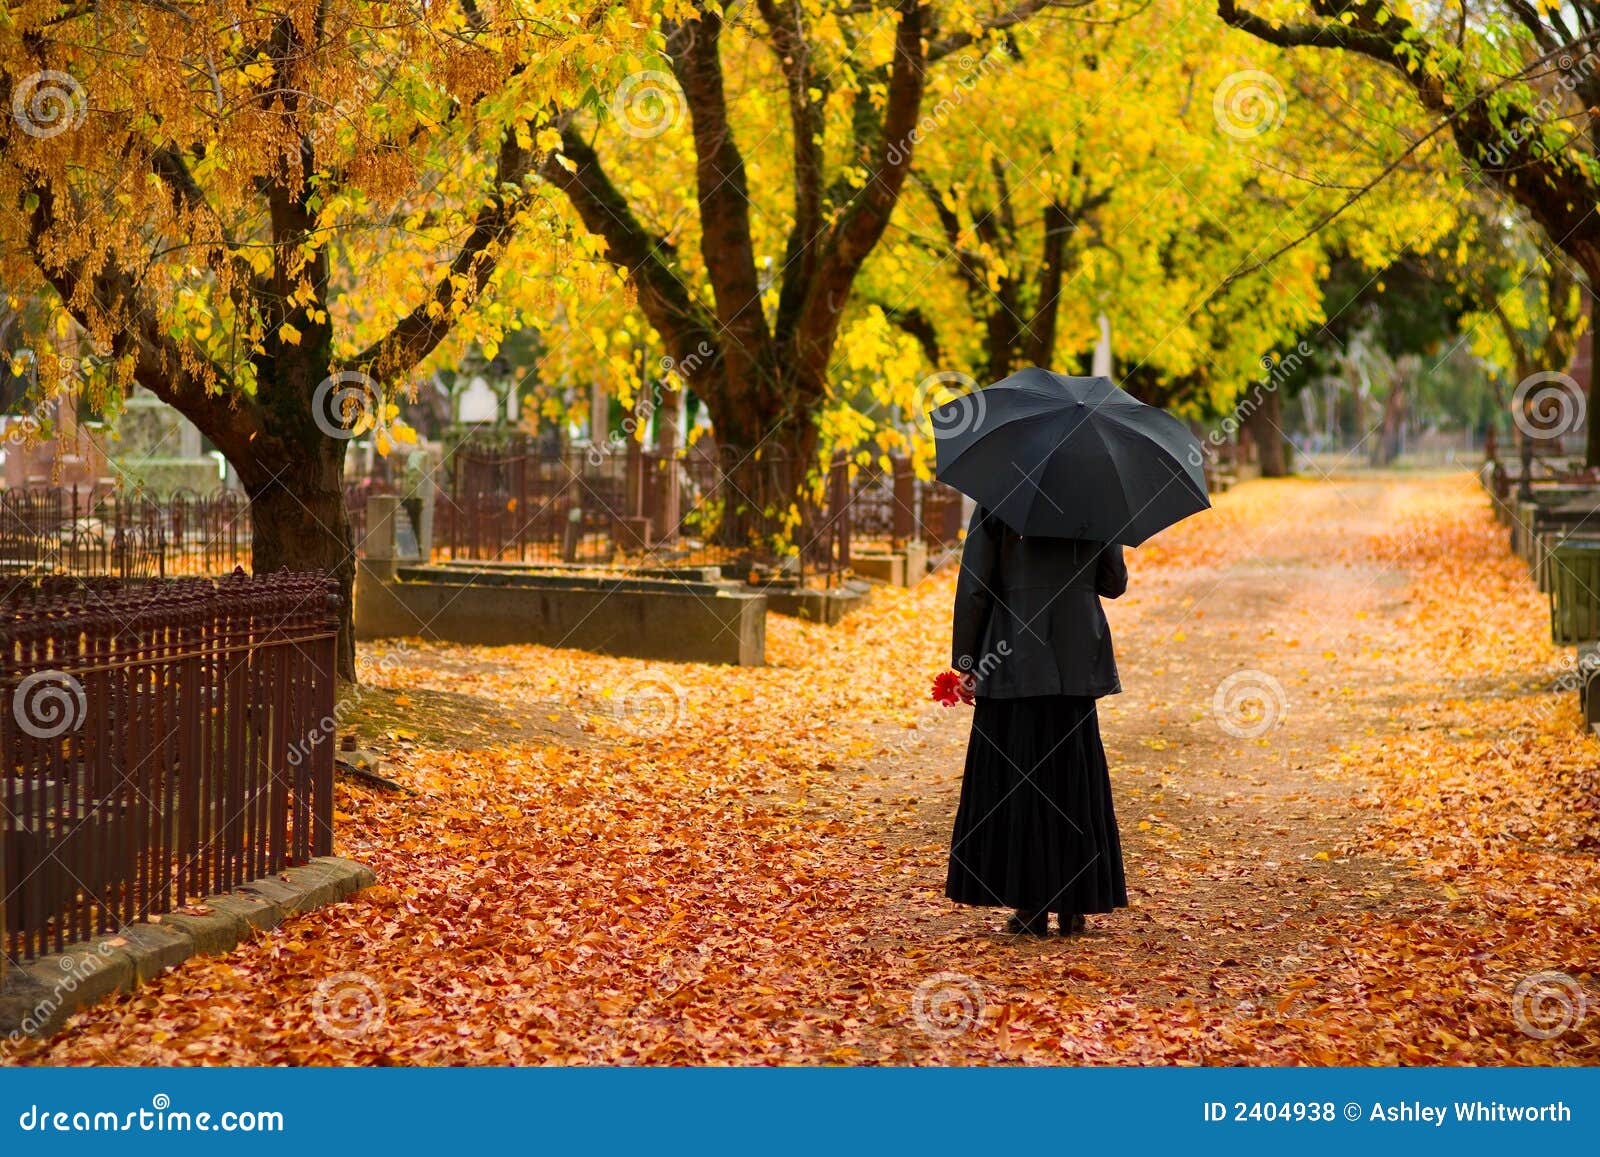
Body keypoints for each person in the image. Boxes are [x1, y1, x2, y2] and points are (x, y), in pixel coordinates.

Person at [945, 504, 1130, 938]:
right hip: (1074, 657)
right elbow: (1113, 583)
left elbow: (975, 585)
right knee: (1071, 778)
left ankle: (1030, 906)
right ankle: (1073, 905)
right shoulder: (1094, 497)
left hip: (1012, 656)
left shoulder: (999, 499)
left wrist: (967, 661)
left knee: (1018, 779)